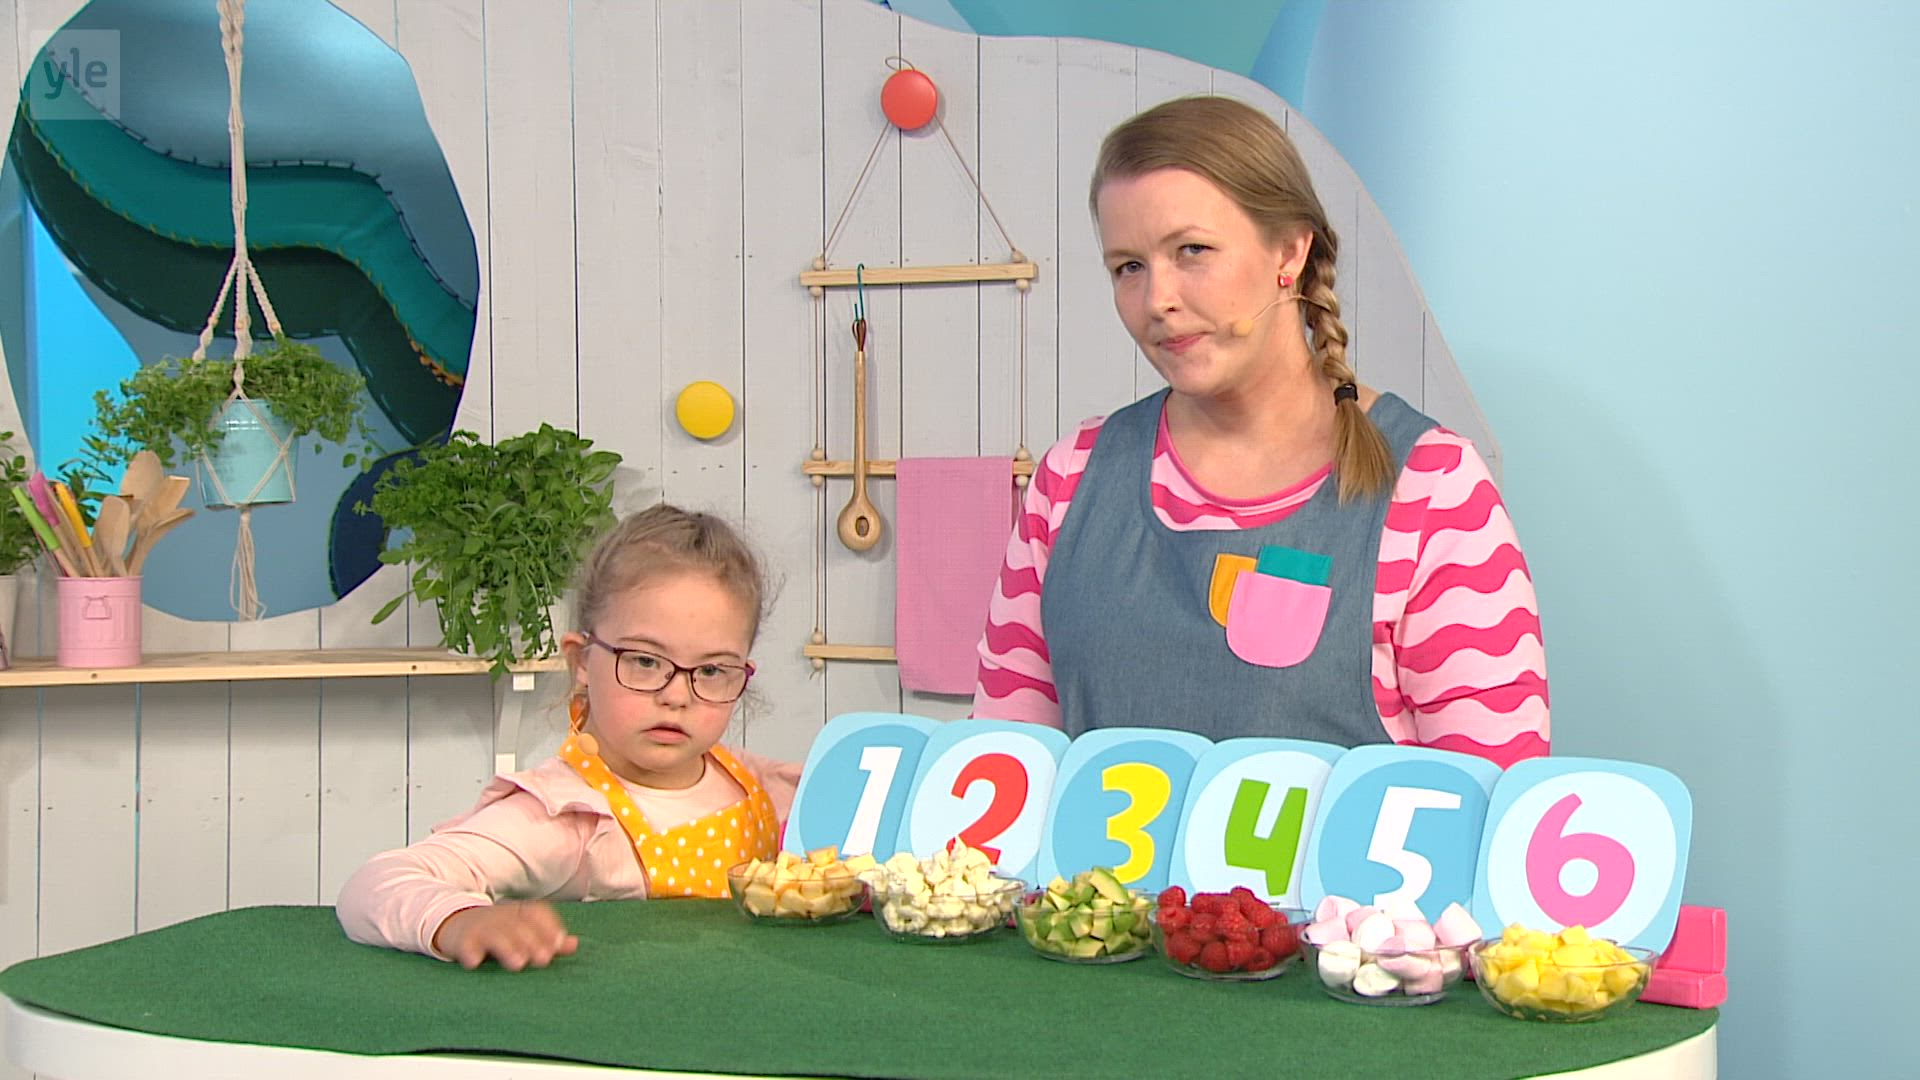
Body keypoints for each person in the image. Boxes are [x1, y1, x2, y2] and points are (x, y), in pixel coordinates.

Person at [972, 96, 1549, 768]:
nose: (1157, 300)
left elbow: (1493, 799)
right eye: (1129, 266)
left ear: (1290, 250)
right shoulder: (1071, 480)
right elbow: (1002, 772)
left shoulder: (1431, 489)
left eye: (1192, 251)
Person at [337, 503, 800, 970]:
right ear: (581, 661)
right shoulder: (569, 816)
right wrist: (459, 921)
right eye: (644, 661)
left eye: (712, 670)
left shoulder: (763, 787)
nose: (677, 695)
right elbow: (375, 884)